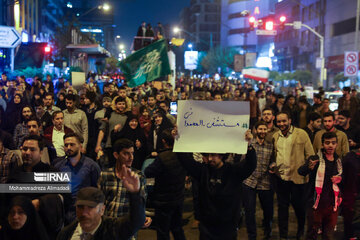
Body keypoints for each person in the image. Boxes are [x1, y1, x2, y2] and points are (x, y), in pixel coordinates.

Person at [178, 130, 257, 240]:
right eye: (208, 155)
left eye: (213, 155)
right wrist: (178, 139)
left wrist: (249, 146)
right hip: (207, 227)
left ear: (221, 155)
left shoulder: (233, 171)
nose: (210, 159)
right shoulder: (203, 171)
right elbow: (185, 161)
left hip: (228, 227)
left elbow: (251, 165)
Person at [5, 135, 65, 239]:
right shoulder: (15, 173)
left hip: (44, 231)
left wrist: (41, 202)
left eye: (32, 149)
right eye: (24, 149)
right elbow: (5, 200)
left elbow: (64, 199)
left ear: (41, 152)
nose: (27, 152)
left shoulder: (52, 173)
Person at [271, 111, 315, 240]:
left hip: (298, 179)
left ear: (290, 120)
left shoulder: (301, 134)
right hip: (281, 178)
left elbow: (310, 155)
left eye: (284, 121)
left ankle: (300, 231)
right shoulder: (275, 136)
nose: (282, 124)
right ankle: (283, 235)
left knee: (299, 207)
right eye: (279, 121)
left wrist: (308, 168)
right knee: (282, 208)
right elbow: (274, 155)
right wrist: (273, 165)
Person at [56, 184, 145, 240]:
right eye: (80, 207)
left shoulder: (113, 229)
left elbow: (137, 221)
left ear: (102, 210)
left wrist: (135, 194)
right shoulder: (66, 234)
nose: (84, 213)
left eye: (90, 208)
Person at [97, 138, 151, 232]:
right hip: (108, 226)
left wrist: (143, 217)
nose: (131, 157)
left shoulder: (138, 177)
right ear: (116, 155)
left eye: (132, 153)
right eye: (126, 153)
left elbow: (141, 203)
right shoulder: (105, 175)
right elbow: (99, 203)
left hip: (127, 227)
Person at [298, 132, 342, 240]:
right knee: (312, 234)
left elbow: (342, 178)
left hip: (332, 205)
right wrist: (309, 167)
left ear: (336, 144)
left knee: (328, 235)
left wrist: (340, 178)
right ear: (322, 145)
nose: (330, 145)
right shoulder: (315, 159)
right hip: (315, 204)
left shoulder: (338, 161)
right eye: (327, 143)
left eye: (333, 143)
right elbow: (301, 171)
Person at [145, 129, 186, 240]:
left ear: (163, 141)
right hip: (178, 197)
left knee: (163, 231)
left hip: (164, 201)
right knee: (177, 229)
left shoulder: (162, 157)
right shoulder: (182, 155)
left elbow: (148, 171)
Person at [54, 132, 101, 224]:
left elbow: (97, 189)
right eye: (66, 145)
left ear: (80, 146)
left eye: (72, 145)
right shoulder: (58, 166)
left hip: (85, 210)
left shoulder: (92, 166)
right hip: (64, 211)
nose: (68, 148)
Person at [242, 121, 275, 240]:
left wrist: (273, 165)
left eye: (264, 129)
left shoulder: (270, 145)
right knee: (249, 211)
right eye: (260, 129)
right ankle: (252, 236)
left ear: (267, 131)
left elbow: (273, 160)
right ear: (255, 130)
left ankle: (267, 232)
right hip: (249, 181)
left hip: (265, 182)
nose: (262, 131)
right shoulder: (249, 144)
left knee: (268, 211)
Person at [96, 97, 129, 168]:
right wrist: (98, 145)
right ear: (115, 105)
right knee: (111, 167)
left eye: (123, 104)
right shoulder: (110, 114)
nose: (121, 106)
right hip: (110, 145)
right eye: (119, 104)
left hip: (123, 146)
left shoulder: (127, 116)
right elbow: (102, 130)